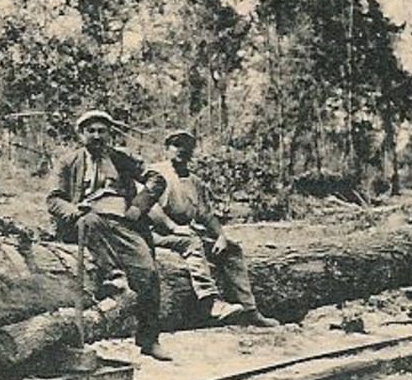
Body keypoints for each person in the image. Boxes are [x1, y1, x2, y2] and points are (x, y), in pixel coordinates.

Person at [46, 110, 172, 361]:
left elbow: (156, 179)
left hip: (123, 224)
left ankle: (149, 339)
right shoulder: (67, 162)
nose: (96, 136)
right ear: (81, 134)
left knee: (148, 272)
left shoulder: (121, 159)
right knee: (89, 221)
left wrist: (137, 207)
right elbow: (53, 199)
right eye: (90, 131)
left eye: (102, 131)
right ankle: (114, 277)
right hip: (86, 221)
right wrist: (73, 211)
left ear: (109, 134)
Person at [147, 128, 278, 328]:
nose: (182, 150)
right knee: (192, 242)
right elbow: (149, 207)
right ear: (166, 149)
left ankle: (250, 310)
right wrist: (173, 228)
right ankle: (210, 302)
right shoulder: (155, 173)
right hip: (155, 232)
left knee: (232, 250)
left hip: (183, 230)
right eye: (176, 145)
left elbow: (206, 214)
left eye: (187, 146)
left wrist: (221, 236)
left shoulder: (194, 181)